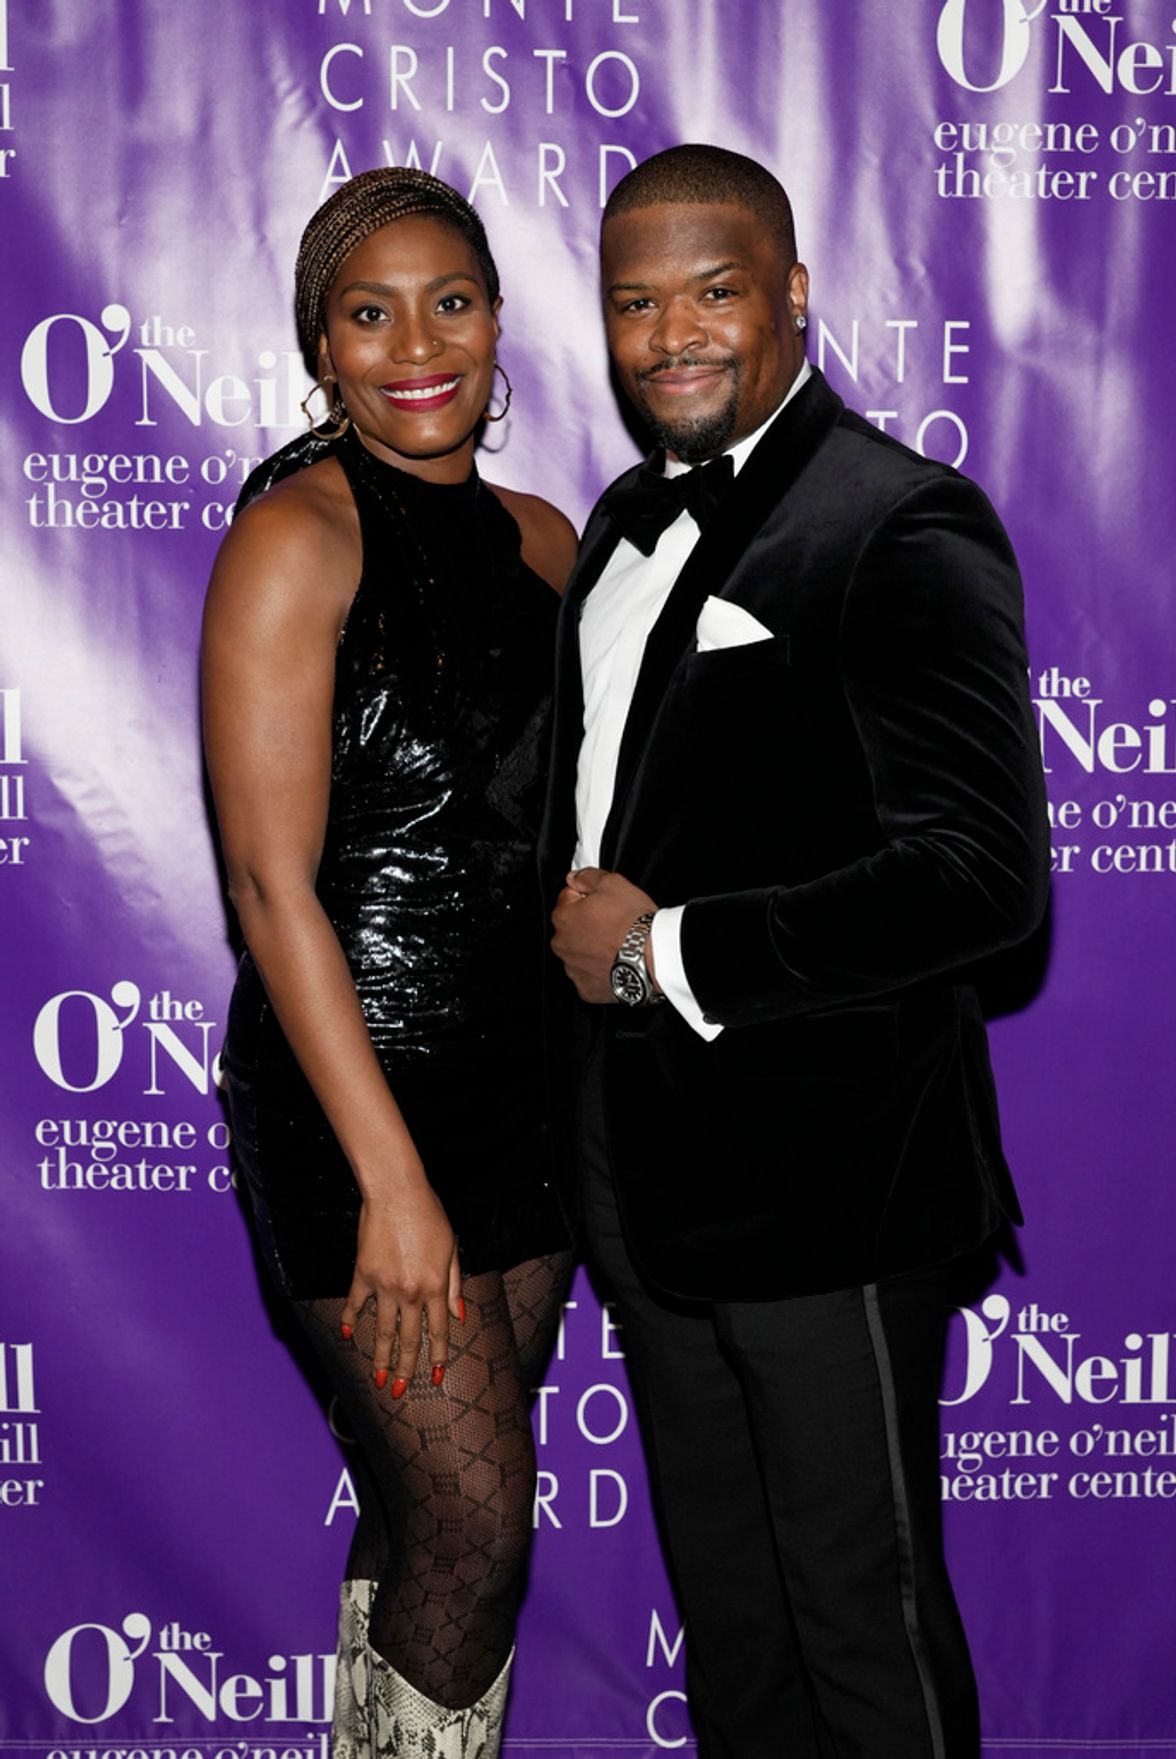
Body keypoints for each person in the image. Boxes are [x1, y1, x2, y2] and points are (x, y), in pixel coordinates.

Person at [546, 145, 1049, 1758]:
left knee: (862, 1629)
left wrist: (667, 952)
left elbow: (979, 881)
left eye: (714, 290)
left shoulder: (900, 519)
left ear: (794, 297)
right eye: (637, 301)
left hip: (831, 1190)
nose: (673, 332)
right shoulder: (622, 519)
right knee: (739, 1634)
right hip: (647, 1189)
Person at [202, 167, 576, 1759]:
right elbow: (271, 888)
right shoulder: (295, 539)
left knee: (436, 1531)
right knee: (482, 1537)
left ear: (498, 322)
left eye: (453, 302)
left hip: (530, 1099)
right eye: (371, 313)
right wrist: (392, 1183)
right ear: (322, 348)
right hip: (357, 1103)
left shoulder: (552, 538)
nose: (417, 343)